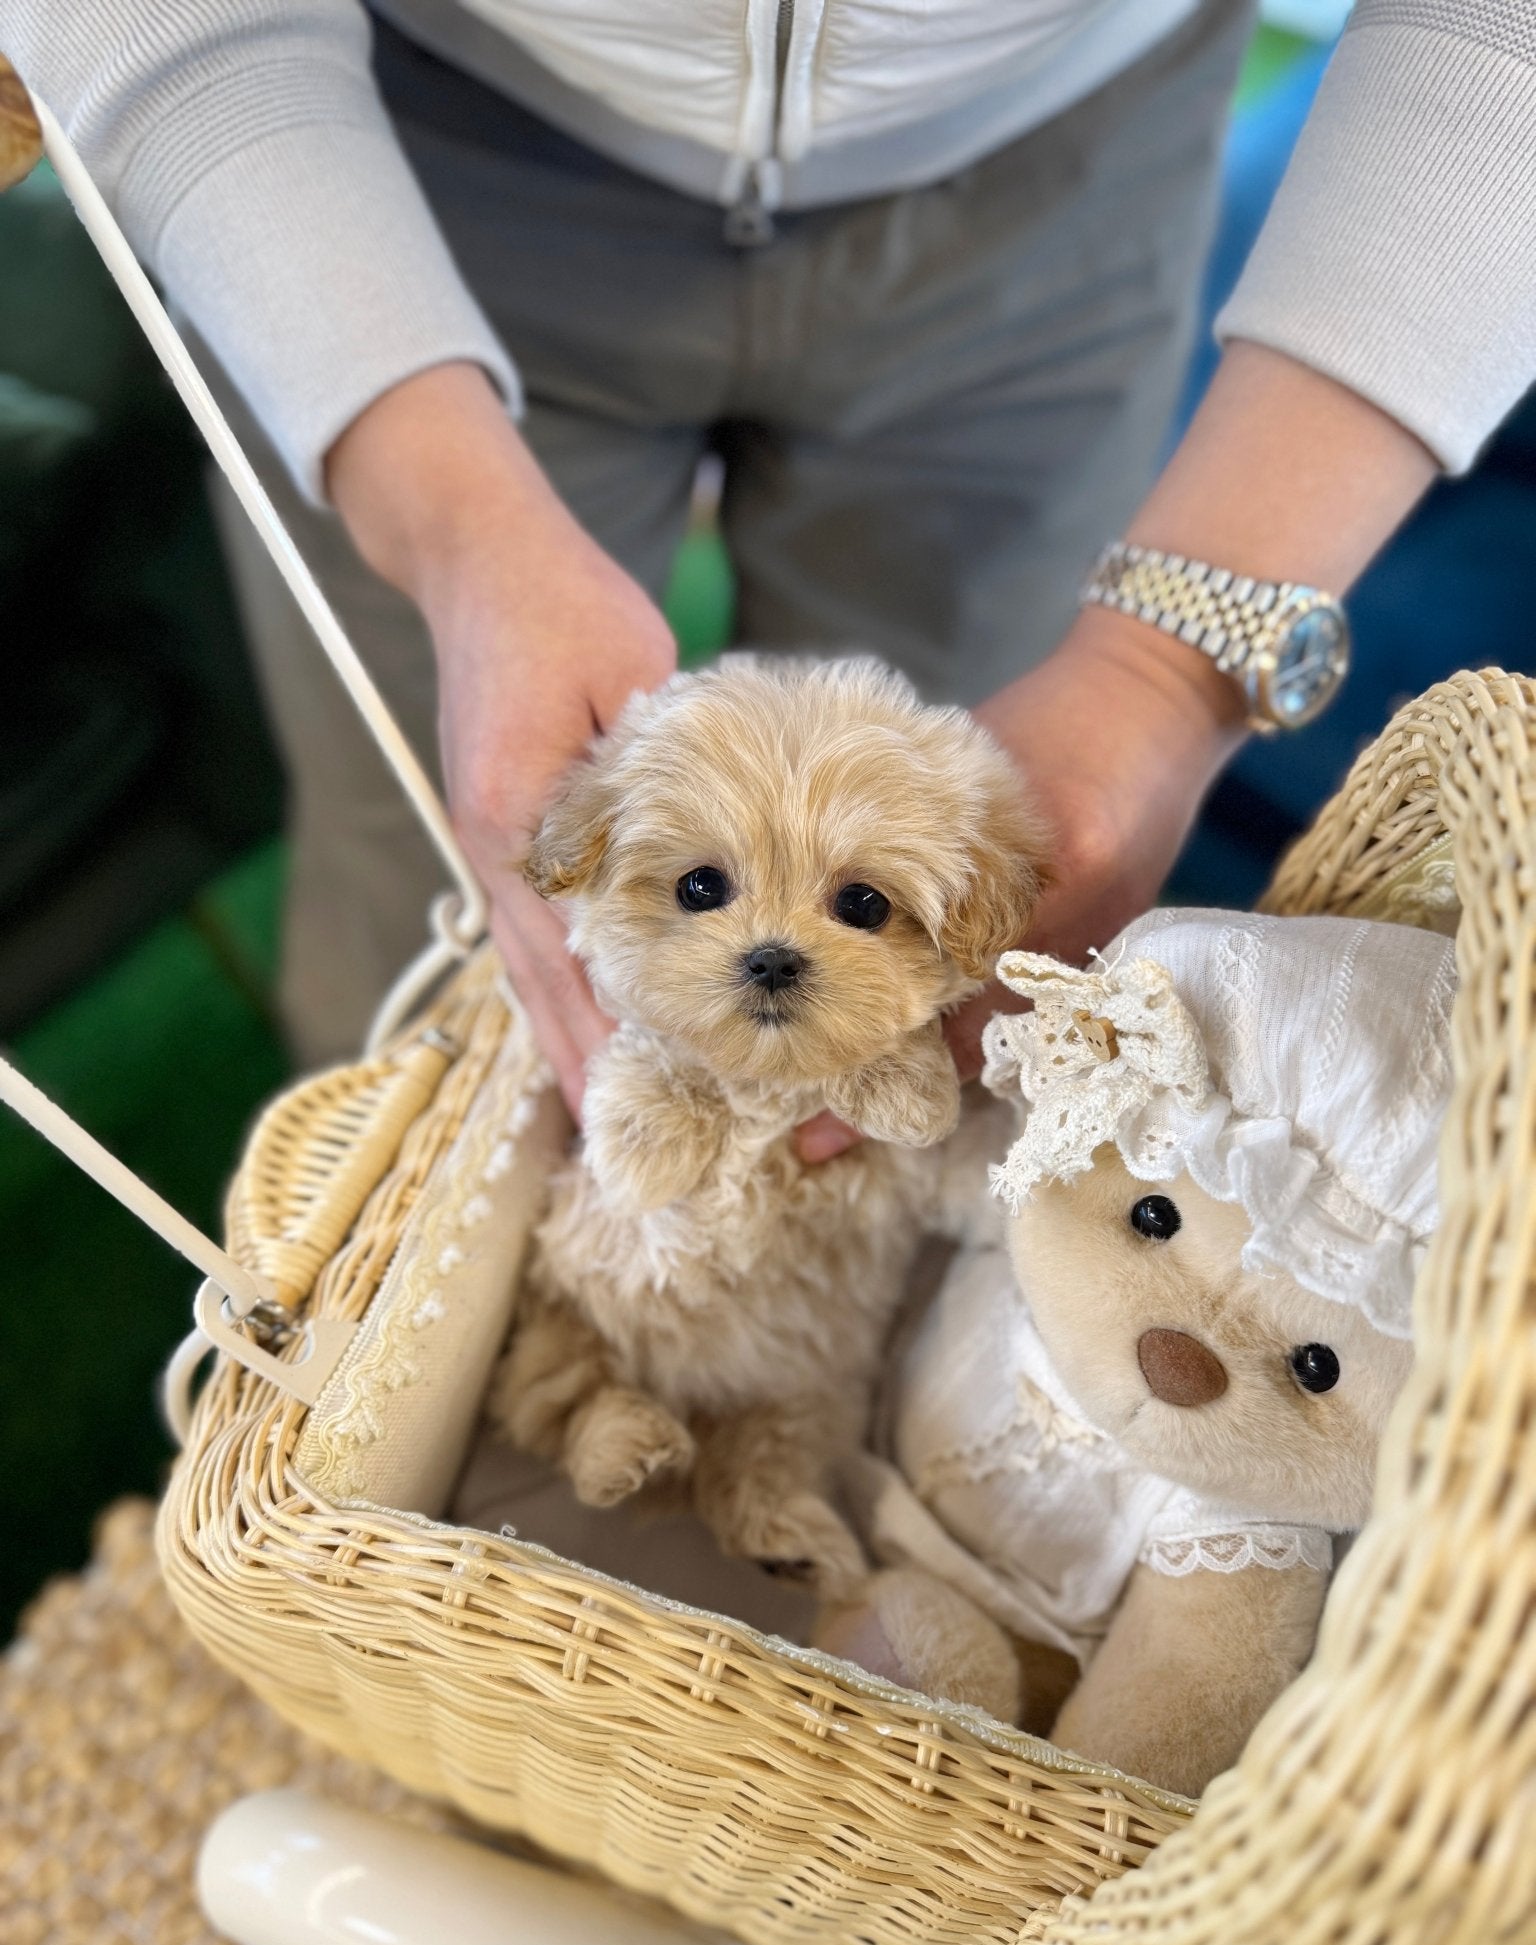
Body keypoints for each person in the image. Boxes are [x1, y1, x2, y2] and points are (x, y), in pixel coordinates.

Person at [3, 1, 1531, 1159]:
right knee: (446, 912)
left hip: (1065, 160)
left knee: (976, 954)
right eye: (712, 891)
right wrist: (455, 524)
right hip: (376, 156)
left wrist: (1161, 674)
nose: (774, 945)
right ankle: (395, 1373)